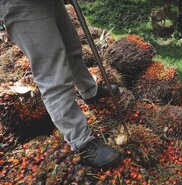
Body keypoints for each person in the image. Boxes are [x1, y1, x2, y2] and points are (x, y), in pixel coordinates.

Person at [0, 0, 121, 168]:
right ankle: (81, 141)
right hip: (21, 4)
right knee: (53, 73)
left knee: (72, 50)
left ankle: (89, 91)